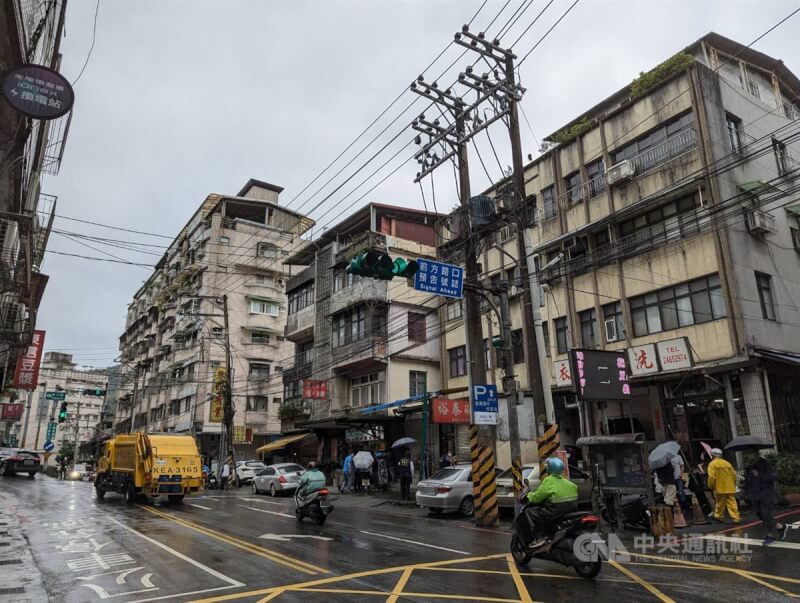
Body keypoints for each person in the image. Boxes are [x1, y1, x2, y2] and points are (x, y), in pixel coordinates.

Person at [523, 457, 578, 546]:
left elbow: (537, 497)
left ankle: (539, 537)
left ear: (550, 469)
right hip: (571, 510)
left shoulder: (549, 480)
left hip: (555, 511)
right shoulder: (568, 482)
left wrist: (529, 496)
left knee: (530, 512)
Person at [746, 454, 788, 545]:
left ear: (755, 452)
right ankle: (780, 527)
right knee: (760, 515)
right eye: (745, 453)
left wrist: (759, 474)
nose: (747, 456)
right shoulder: (749, 466)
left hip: (766, 493)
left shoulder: (765, 463)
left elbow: (771, 477)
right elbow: (748, 480)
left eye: (749, 453)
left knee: (766, 514)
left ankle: (770, 535)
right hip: (755, 494)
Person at [707, 448, 740, 523]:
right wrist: (734, 484)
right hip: (730, 487)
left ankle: (718, 516)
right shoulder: (727, 463)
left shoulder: (712, 464)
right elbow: (734, 475)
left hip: (720, 487)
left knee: (720, 503)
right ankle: (736, 517)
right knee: (732, 502)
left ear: (713, 455)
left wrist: (711, 486)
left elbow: (711, 477)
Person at [670, 453, 692, 519]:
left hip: (678, 477)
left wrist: (681, 474)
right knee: (672, 493)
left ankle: (684, 507)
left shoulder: (678, 456)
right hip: (670, 478)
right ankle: (675, 508)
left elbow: (682, 465)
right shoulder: (666, 458)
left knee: (681, 492)